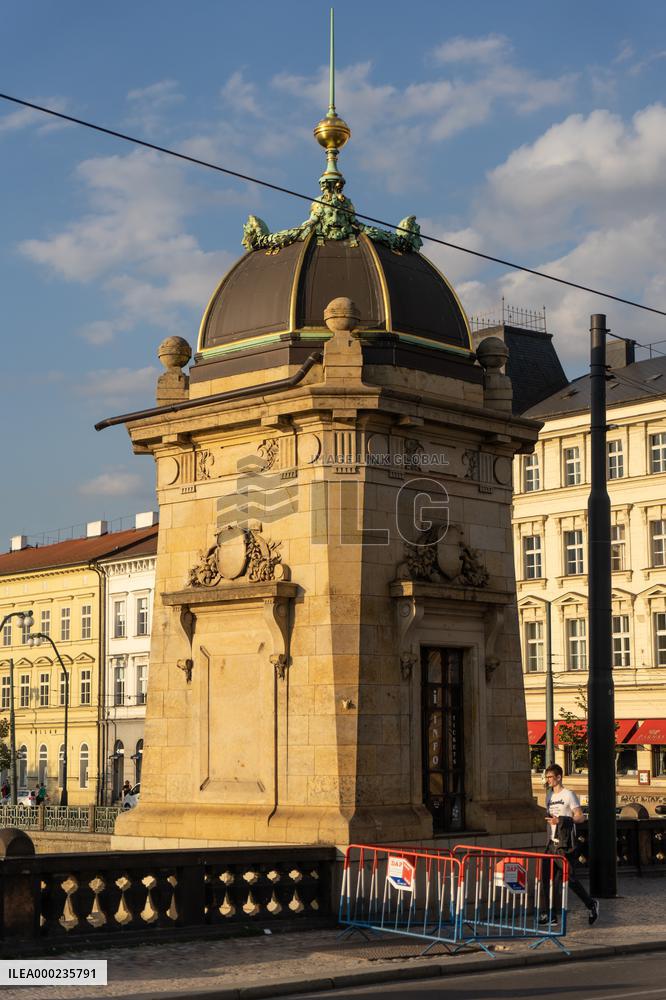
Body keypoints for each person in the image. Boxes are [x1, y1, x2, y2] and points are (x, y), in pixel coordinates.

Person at [539, 763, 599, 926]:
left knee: (569, 878)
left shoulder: (569, 795)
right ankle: (550, 915)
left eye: (550, 777)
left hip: (565, 845)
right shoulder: (549, 796)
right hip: (551, 843)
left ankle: (591, 904)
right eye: (547, 777)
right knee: (546, 879)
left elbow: (580, 817)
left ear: (559, 777)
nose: (548, 780)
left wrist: (562, 820)